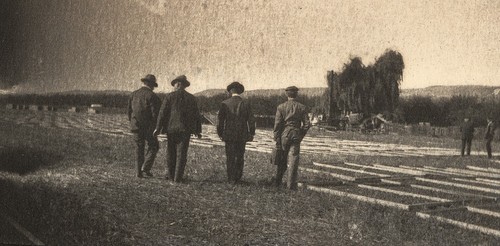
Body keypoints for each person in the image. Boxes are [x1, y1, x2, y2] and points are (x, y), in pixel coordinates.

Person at [154, 75, 202, 182]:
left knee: (171, 152)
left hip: (171, 129)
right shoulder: (191, 98)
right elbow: (196, 115)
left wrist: (158, 128)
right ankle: (177, 178)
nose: (174, 86)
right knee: (182, 154)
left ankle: (171, 176)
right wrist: (198, 130)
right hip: (185, 130)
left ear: (178, 84)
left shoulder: (169, 96)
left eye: (174, 84)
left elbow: (162, 113)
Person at [272, 86, 311, 189]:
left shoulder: (281, 107)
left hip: (284, 135)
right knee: (293, 159)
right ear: (296, 94)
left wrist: (277, 139)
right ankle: (291, 186)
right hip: (296, 134)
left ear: (286, 94)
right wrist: (300, 134)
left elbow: (277, 125)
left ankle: (278, 182)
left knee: (282, 159)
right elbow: (307, 124)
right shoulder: (302, 107)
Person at [217, 82, 256, 184]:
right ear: (240, 91)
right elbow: (251, 121)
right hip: (242, 134)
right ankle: (238, 177)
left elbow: (220, 121)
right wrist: (251, 133)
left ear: (230, 91)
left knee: (230, 156)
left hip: (229, 134)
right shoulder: (246, 103)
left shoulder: (224, 103)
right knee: (240, 156)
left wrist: (220, 133)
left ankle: (231, 179)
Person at [127, 74, 161, 178]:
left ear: (144, 83)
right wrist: (156, 127)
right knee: (154, 146)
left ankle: (138, 172)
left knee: (139, 148)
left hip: (136, 126)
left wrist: (133, 122)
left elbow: (129, 112)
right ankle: (145, 168)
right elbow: (155, 114)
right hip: (148, 128)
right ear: (151, 85)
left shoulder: (133, 94)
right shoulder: (153, 96)